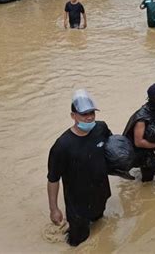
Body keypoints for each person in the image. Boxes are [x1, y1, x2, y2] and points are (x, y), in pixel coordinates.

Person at [47, 89, 112, 246]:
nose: (89, 117)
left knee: (101, 227)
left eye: (92, 113)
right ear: (73, 116)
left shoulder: (101, 128)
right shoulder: (62, 145)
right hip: (78, 204)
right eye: (84, 114)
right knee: (78, 242)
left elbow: (113, 147)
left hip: (101, 193)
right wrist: (54, 209)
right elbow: (53, 179)